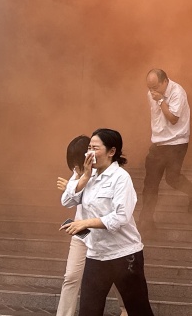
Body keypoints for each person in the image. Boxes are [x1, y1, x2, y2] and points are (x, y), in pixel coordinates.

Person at [60, 128, 154, 316]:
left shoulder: (121, 178)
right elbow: (67, 200)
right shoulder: (88, 175)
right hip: (96, 255)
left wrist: (86, 223)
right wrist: (84, 177)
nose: (89, 153)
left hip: (124, 255)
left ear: (111, 152)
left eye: (95, 148)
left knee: (139, 310)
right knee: (88, 310)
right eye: (88, 147)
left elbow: (120, 217)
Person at [56, 135, 127, 316]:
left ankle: (126, 308)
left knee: (118, 275)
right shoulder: (77, 173)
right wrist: (74, 184)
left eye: (77, 163)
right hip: (82, 232)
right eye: (72, 165)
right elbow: (67, 201)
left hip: (103, 232)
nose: (75, 169)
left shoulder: (107, 173)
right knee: (71, 277)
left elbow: (116, 212)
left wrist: (78, 183)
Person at [139, 68, 192, 232]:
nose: (152, 90)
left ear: (165, 81)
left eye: (155, 86)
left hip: (177, 142)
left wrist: (161, 101)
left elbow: (173, 119)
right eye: (149, 87)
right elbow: (157, 118)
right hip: (158, 143)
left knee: (172, 178)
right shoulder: (151, 94)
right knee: (150, 184)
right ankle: (146, 222)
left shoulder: (177, 92)